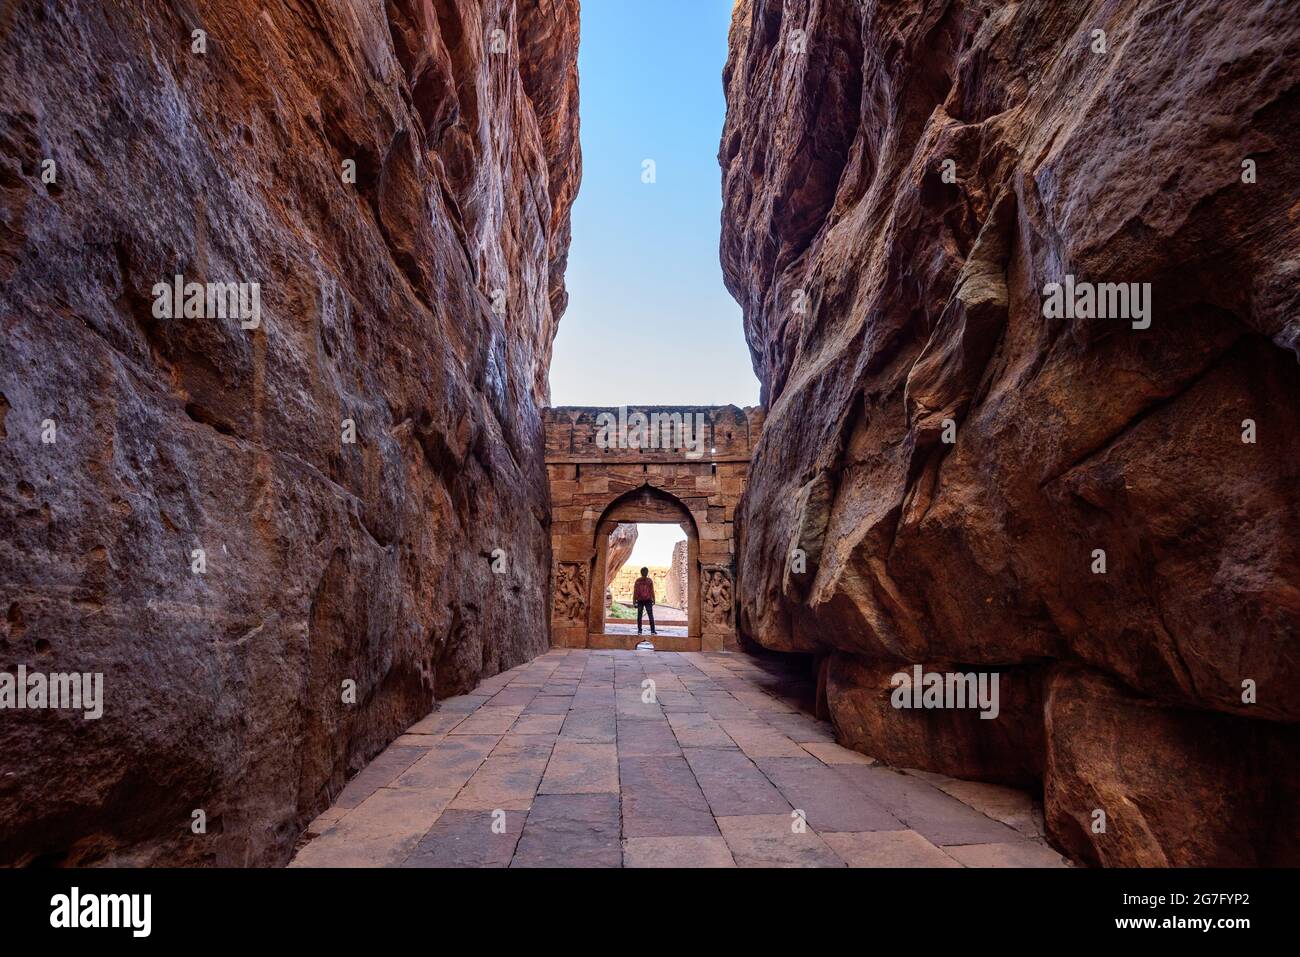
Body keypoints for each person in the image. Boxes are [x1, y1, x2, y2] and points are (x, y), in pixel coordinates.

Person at [632, 567, 656, 635]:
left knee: (639, 616)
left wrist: (634, 601)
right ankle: (653, 631)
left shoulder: (638, 581)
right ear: (647, 572)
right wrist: (654, 599)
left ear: (641, 572)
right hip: (648, 600)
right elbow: (652, 591)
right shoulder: (649, 580)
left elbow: (635, 591)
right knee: (650, 615)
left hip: (640, 600)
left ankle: (639, 630)